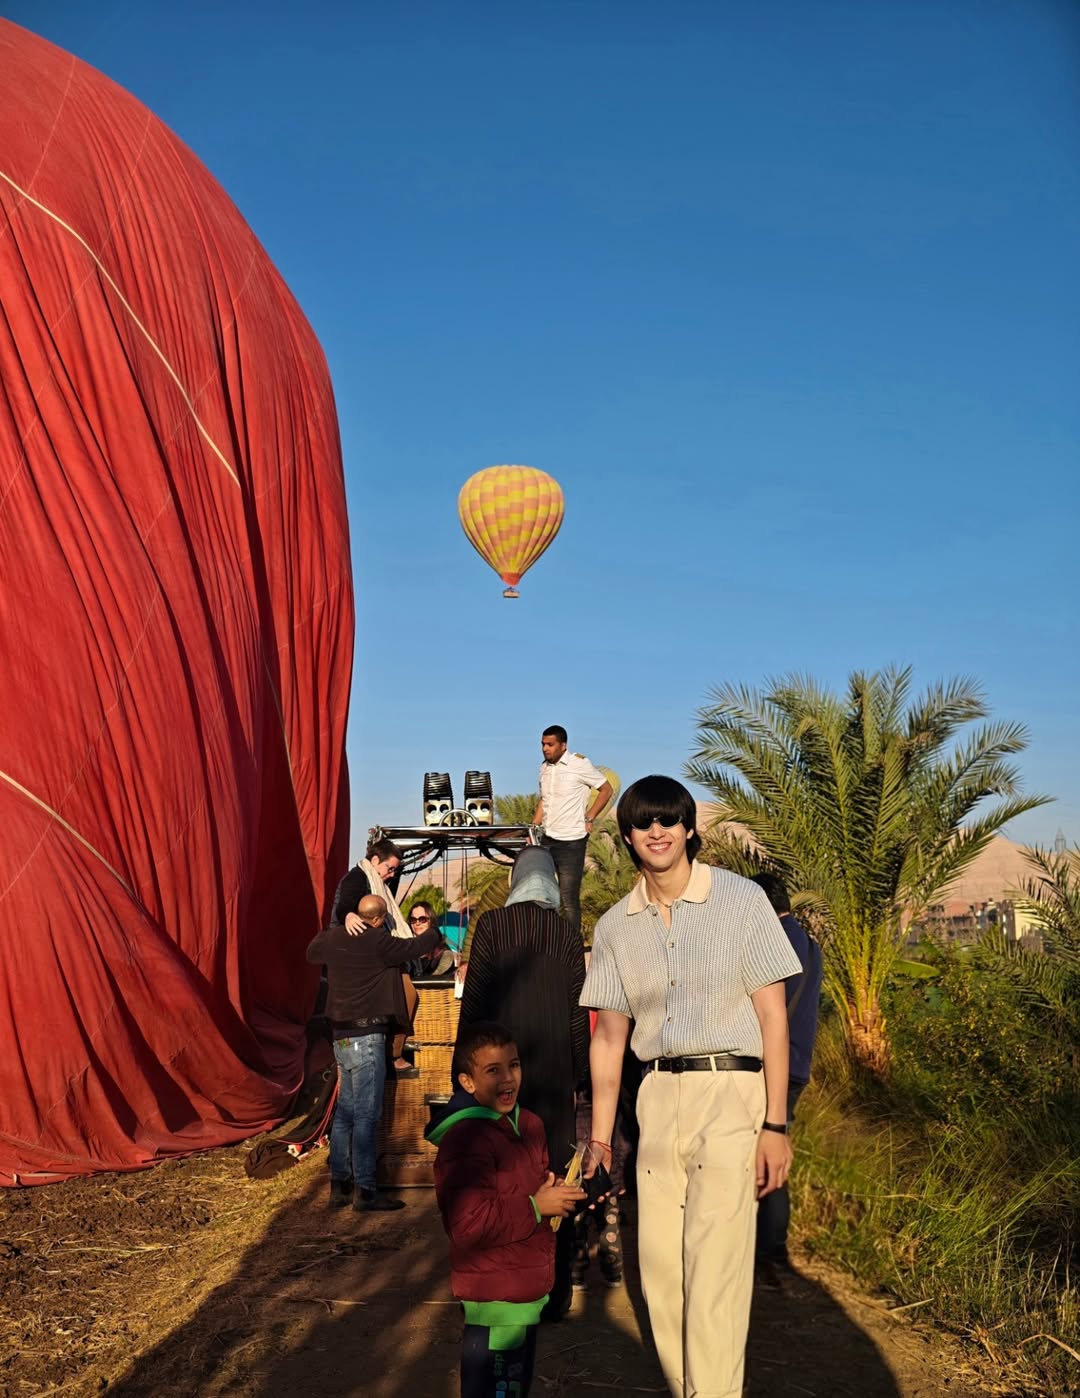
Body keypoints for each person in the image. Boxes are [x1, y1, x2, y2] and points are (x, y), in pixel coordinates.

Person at [581, 775, 802, 1398]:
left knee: (715, 1272)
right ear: (626, 836)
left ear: (688, 829)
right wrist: (600, 1140)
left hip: (732, 1093)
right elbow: (608, 1039)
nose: (658, 832)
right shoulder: (616, 926)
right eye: (645, 823)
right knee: (659, 1272)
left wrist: (776, 1124)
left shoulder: (739, 901)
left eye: (670, 820)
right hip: (656, 1099)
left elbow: (773, 1017)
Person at [456, 845, 590, 1319]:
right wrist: (581, 1077)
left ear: (517, 881)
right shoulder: (566, 933)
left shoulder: (492, 926)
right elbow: (578, 1016)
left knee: (502, 1174)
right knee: (554, 1170)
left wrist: (464, 1073)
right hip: (554, 1077)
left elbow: (473, 1006)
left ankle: (505, 1286)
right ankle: (555, 1295)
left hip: (499, 1078)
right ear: (551, 881)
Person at [425, 1021, 585, 1398]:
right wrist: (534, 1205)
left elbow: (528, 1189)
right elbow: (469, 1224)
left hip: (527, 1292)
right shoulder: (465, 1138)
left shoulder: (529, 1124)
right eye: (492, 1070)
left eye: (513, 1065)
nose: (508, 1078)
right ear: (467, 1082)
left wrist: (553, 1193)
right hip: (495, 1302)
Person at [306, 894, 442, 1212]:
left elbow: (312, 951)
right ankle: (366, 1192)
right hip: (367, 1037)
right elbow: (416, 948)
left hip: (340, 1038)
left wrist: (341, 921)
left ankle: (340, 1187)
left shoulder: (336, 937)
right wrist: (433, 930)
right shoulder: (380, 941)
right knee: (366, 1116)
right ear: (380, 919)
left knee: (345, 1115)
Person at [749, 871, 823, 1284]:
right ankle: (774, 1250)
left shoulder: (770, 944)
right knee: (777, 1149)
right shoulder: (811, 946)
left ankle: (762, 1250)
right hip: (799, 1067)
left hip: (768, 1065)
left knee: (758, 1154)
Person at [333, 839, 420, 1075]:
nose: (391, 874)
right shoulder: (358, 878)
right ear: (374, 861)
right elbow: (344, 908)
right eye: (389, 868)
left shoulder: (374, 881)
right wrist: (350, 916)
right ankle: (393, 1054)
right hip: (364, 959)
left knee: (406, 995)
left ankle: (392, 1052)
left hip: (376, 956)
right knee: (404, 995)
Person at [532, 725, 612, 930]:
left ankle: (572, 950)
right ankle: (551, 944)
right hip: (546, 839)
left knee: (568, 899)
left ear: (563, 745)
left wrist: (590, 817)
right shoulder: (544, 768)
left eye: (550, 744)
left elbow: (606, 789)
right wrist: (533, 827)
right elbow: (544, 799)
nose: (545, 748)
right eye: (543, 744)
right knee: (545, 896)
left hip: (571, 842)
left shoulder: (579, 764)